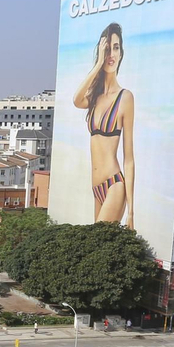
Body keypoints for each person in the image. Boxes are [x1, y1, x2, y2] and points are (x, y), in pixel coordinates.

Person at [71, 22, 135, 227]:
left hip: (114, 184)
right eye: (107, 48)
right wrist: (98, 64)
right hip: (96, 186)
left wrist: (131, 212)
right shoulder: (95, 97)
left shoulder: (125, 98)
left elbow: (129, 158)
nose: (111, 54)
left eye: (115, 47)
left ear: (121, 52)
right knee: (98, 248)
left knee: (95, 241)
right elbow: (76, 100)